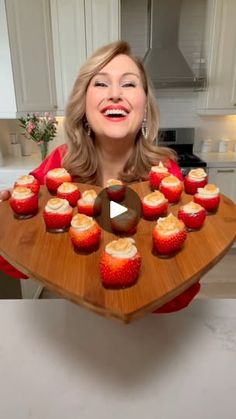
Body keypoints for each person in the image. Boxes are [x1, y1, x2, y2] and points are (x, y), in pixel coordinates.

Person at [0, 40, 200, 312]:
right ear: (83, 103)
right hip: (75, 327)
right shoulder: (58, 165)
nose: (115, 93)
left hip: (149, 327)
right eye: (101, 83)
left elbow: (180, 292)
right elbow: (17, 262)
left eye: (129, 84)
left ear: (144, 105)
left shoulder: (165, 174)